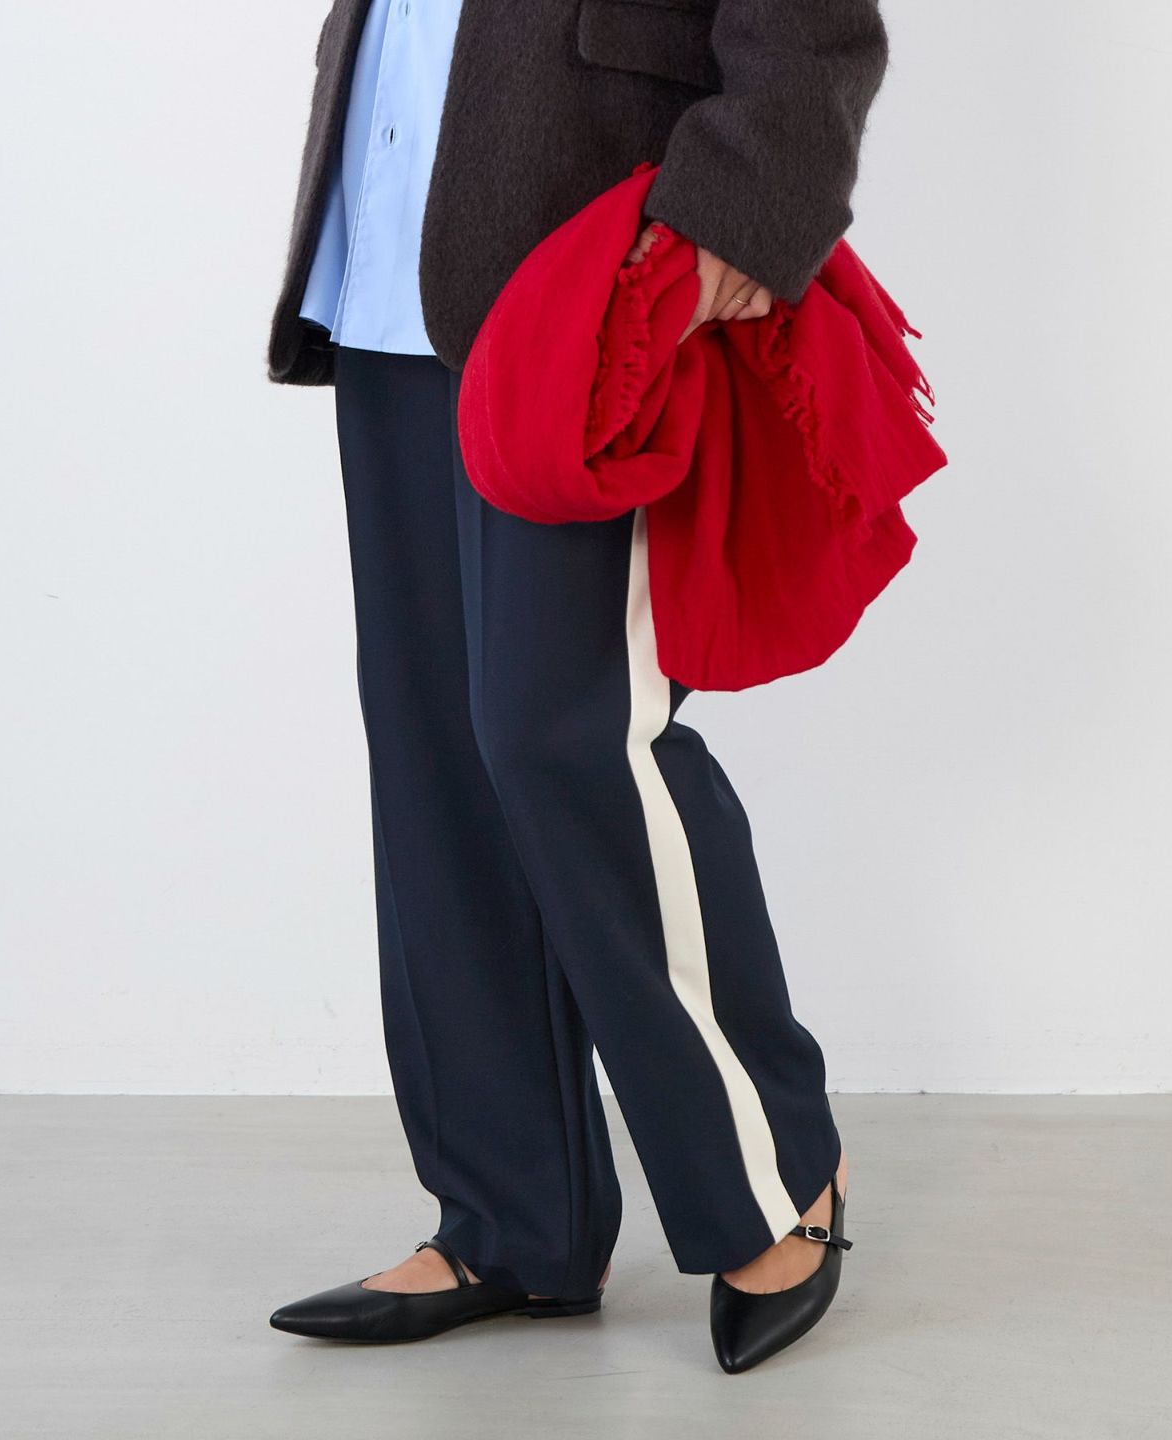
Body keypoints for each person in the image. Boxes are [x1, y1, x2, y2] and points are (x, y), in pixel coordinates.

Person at [266, 0, 889, 1374]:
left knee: (566, 735)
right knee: (437, 754)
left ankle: (777, 1171)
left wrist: (734, 218)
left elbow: (816, 31)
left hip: (583, 271)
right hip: (392, 262)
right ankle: (514, 1219)